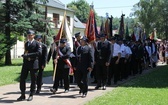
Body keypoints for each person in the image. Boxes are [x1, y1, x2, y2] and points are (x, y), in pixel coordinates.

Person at [17, 30, 42, 101]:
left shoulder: (37, 43)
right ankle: (22, 94)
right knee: (22, 78)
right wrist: (24, 56)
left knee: (33, 80)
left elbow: (39, 53)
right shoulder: (26, 43)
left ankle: (31, 94)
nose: (29, 36)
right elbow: (26, 51)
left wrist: (28, 55)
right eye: (28, 35)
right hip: (26, 64)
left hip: (33, 63)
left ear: (33, 35)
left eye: (30, 35)